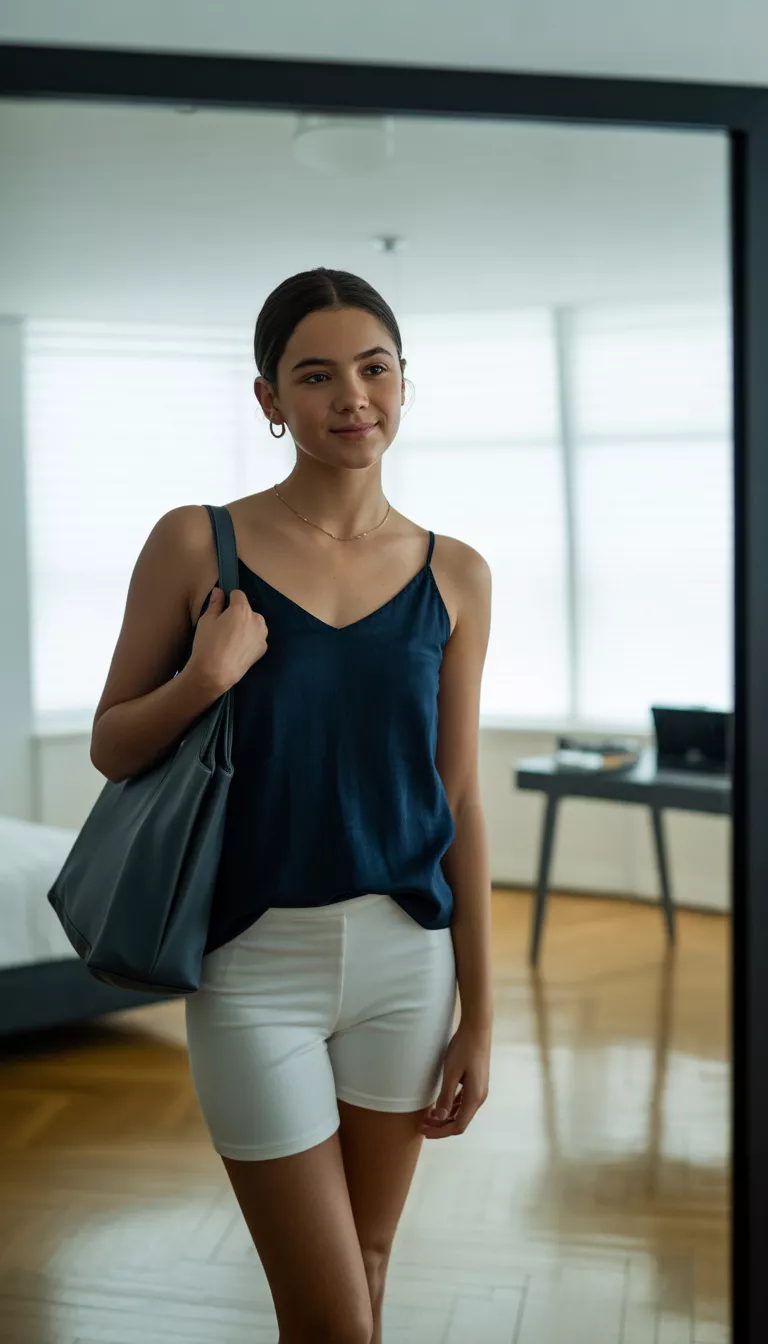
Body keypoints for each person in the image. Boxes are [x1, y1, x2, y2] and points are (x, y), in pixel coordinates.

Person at [89, 267, 494, 1344]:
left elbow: (457, 797)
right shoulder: (197, 542)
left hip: (410, 969)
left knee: (364, 1270)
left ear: (406, 384)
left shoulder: (456, 573)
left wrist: (483, 1017)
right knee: (330, 1316)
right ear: (270, 399)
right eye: (315, 376)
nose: (351, 395)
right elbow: (110, 744)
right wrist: (202, 679)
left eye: (374, 369)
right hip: (251, 969)